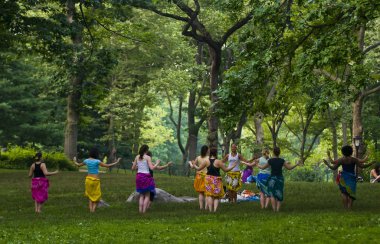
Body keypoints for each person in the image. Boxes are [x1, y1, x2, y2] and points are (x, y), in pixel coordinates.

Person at [190, 148, 238, 212]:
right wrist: (233, 166)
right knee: (216, 196)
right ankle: (215, 210)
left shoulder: (206, 161)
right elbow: (226, 170)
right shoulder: (218, 161)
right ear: (216, 153)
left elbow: (198, 169)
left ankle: (210, 210)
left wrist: (194, 164)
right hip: (216, 180)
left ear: (210, 153)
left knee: (209, 195)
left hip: (208, 179)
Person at [73, 148, 121, 213]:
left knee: (90, 196)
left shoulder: (86, 160)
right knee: (96, 196)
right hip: (95, 180)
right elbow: (107, 166)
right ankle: (93, 210)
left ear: (90, 154)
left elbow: (78, 165)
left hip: (88, 180)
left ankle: (91, 211)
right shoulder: (97, 161)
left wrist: (74, 160)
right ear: (96, 154)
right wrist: (116, 162)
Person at [256, 147, 301, 212]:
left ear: (273, 152)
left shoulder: (270, 160)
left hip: (272, 179)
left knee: (272, 194)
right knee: (279, 193)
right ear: (279, 153)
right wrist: (296, 164)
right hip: (280, 178)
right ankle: (277, 210)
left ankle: (274, 210)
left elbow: (262, 168)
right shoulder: (282, 160)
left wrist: (257, 164)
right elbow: (289, 168)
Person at [132, 144, 163, 213]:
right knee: (147, 195)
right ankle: (144, 211)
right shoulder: (148, 157)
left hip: (139, 176)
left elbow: (133, 168)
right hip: (146, 177)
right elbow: (151, 168)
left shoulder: (137, 157)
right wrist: (157, 163)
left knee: (141, 195)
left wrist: (139, 166)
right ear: (146, 150)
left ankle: (140, 211)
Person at [189, 145, 209, 210]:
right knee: (207, 193)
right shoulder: (208, 158)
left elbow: (193, 167)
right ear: (207, 150)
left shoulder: (198, 157)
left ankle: (201, 207)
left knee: (201, 193)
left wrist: (190, 163)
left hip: (199, 176)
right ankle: (206, 207)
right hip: (207, 176)